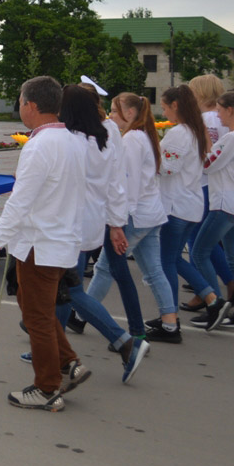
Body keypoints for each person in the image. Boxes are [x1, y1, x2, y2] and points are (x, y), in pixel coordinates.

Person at [0, 76, 88, 412]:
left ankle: (46, 388)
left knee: (38, 317)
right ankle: (69, 362)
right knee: (34, 307)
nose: (19, 107)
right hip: (58, 239)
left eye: (20, 101)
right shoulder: (71, 140)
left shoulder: (40, 146)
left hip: (40, 243)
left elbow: (20, 200)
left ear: (31, 105)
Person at [55, 85, 147, 382]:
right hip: (90, 223)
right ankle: (52, 347)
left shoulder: (72, 140)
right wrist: (116, 223)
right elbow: (116, 184)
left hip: (70, 224)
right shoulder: (105, 136)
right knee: (64, 289)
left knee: (70, 290)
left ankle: (125, 341)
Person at [87, 93, 178, 340]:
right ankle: (170, 323)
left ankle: (81, 312)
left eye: (115, 112)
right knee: (153, 270)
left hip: (136, 215)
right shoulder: (142, 136)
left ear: (129, 113)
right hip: (150, 213)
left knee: (105, 267)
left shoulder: (131, 140)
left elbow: (130, 183)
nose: (111, 116)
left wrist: (120, 218)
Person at [190, 90, 234, 331]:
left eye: (219, 110)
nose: (216, 115)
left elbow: (208, 165)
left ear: (230, 111)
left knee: (199, 253)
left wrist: (206, 143)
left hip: (225, 204)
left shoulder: (233, 138)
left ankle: (215, 305)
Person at [152, 85, 214, 340]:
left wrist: (149, 155)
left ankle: (171, 318)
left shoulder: (180, 132)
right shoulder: (195, 130)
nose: (164, 111)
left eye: (165, 107)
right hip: (189, 204)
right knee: (175, 259)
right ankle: (212, 298)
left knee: (166, 261)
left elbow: (167, 168)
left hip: (176, 205)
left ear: (175, 105)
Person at [182, 74, 234, 312]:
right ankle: (227, 284)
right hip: (218, 183)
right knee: (207, 240)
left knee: (198, 240)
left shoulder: (204, 119)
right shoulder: (224, 118)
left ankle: (205, 290)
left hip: (202, 182)